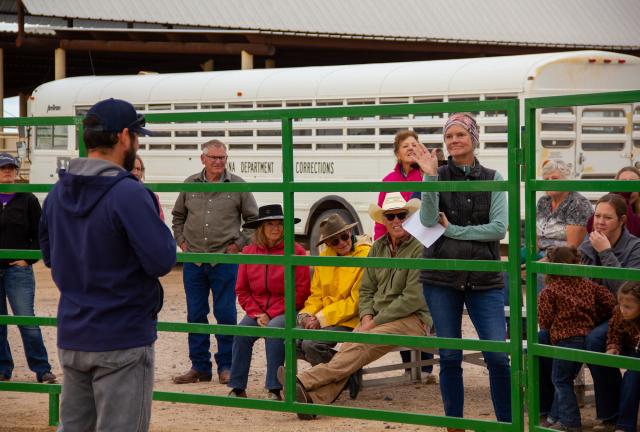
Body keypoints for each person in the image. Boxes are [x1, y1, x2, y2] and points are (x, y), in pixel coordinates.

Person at [39, 98, 176, 431]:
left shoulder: (58, 192)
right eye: (137, 136)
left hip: (73, 335)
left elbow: (48, 256)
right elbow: (162, 259)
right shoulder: (127, 192)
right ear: (125, 136)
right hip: (122, 336)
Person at [280, 192, 432, 420]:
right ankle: (314, 399)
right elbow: (366, 290)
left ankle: (306, 379)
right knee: (354, 345)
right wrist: (367, 316)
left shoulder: (420, 249)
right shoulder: (378, 248)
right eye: (390, 216)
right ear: (384, 221)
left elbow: (412, 299)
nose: (396, 220)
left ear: (408, 217)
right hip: (379, 318)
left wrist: (372, 322)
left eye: (401, 215)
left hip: (412, 318)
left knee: (360, 343)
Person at [412, 112, 512, 425]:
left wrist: (454, 230)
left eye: (461, 135)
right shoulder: (436, 174)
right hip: (441, 277)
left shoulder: (493, 177)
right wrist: (429, 177)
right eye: (449, 136)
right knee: (451, 357)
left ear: (473, 138)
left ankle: (506, 423)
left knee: (497, 356)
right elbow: (428, 221)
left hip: (484, 278)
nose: (454, 141)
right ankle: (454, 424)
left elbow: (498, 228)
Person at [172, 139, 258, 385]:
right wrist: (182, 241)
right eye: (214, 158)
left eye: (222, 158)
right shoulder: (190, 184)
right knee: (196, 314)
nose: (219, 162)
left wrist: (238, 245)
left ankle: (227, 366)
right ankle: (199, 367)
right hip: (195, 261)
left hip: (225, 260)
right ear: (203, 159)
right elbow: (178, 216)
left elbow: (253, 222)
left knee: (226, 313)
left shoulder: (238, 186)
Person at [227, 204, 310, 400]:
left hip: (286, 309)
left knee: (274, 329)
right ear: (261, 228)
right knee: (241, 333)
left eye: (280, 224)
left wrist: (270, 314)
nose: (276, 228)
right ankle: (237, 387)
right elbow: (242, 289)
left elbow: (301, 291)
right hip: (258, 311)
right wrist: (256, 313)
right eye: (270, 224)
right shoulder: (248, 253)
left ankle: (274, 388)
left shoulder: (296, 252)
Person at [374, 130, 436, 382]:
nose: (411, 148)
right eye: (405, 145)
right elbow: (382, 218)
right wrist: (381, 246)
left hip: (427, 245)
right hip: (398, 247)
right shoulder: (388, 180)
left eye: (414, 144)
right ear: (397, 153)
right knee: (397, 298)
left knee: (426, 302)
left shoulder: (429, 175)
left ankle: (427, 367)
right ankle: (410, 367)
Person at [578, 193, 640, 431]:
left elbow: (627, 293)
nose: (600, 222)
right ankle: (609, 414)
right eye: (597, 216)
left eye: (608, 217)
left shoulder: (635, 247)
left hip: (626, 316)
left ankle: (619, 417)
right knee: (587, 339)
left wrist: (605, 252)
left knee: (596, 339)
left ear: (622, 220)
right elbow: (582, 284)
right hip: (597, 313)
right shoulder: (588, 242)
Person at [537, 246, 616, 431]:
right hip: (585, 337)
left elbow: (545, 320)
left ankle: (570, 421)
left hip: (564, 340)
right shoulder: (588, 285)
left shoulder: (549, 291)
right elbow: (609, 301)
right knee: (564, 379)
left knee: (561, 381)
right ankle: (554, 417)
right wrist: (594, 317)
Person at [296, 213, 371, 398]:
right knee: (292, 341)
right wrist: (305, 315)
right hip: (327, 317)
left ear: (350, 231)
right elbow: (317, 295)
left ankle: (328, 383)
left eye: (344, 237)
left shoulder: (366, 255)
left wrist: (320, 319)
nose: (342, 243)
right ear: (328, 243)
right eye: (335, 241)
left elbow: (356, 303)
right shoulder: (324, 257)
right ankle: (347, 374)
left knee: (311, 344)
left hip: (353, 319)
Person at [0, 153, 55, 384]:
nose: (8, 171)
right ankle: (3, 369)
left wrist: (28, 259)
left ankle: (42, 369)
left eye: (11, 168)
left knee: (25, 318)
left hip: (17, 270)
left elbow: (42, 234)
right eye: (3, 168)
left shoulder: (27, 199)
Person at [606, 280, 640, 432]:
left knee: (633, 376)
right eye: (621, 305)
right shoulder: (619, 312)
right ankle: (625, 425)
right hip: (633, 349)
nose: (623, 310)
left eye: (628, 307)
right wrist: (613, 347)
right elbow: (614, 332)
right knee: (631, 377)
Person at [586, 166, 640, 237]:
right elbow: (590, 228)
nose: (627, 187)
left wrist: (624, 198)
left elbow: (633, 232)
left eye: (632, 182)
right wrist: (614, 195)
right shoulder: (612, 200)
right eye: (623, 183)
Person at [131, 154, 164, 220]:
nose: (135, 172)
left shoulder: (151, 196)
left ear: (142, 172)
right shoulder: (116, 193)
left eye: (138, 169)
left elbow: (160, 221)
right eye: (132, 168)